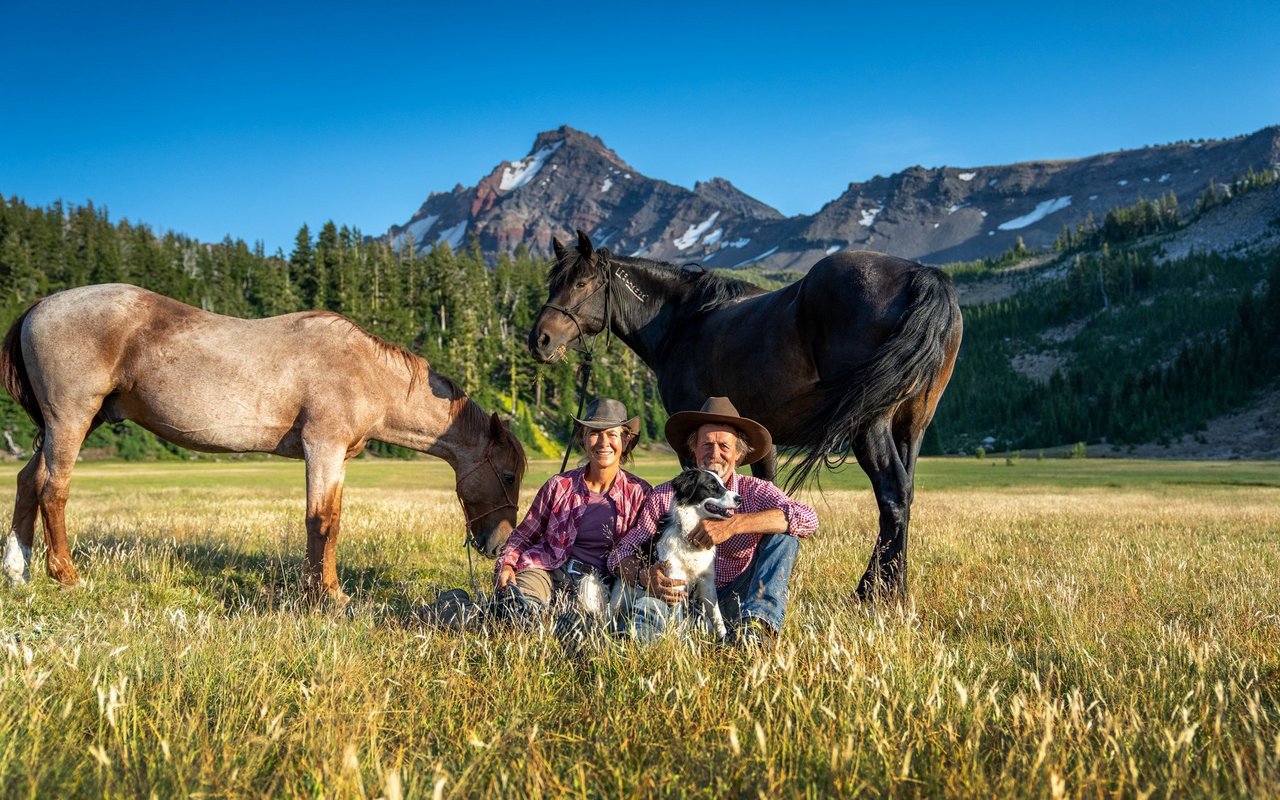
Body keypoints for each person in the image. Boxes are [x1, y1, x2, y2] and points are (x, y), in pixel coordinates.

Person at [609, 396, 817, 647]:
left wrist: (733, 525)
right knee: (644, 626)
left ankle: (756, 630)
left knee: (785, 538)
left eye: (724, 446)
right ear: (693, 449)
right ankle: (635, 643)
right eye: (706, 444)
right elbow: (619, 554)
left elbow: (808, 519)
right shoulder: (667, 495)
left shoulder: (756, 491)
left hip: (736, 599)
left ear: (738, 454)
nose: (714, 454)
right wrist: (644, 576)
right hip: (677, 596)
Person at [492, 398, 651, 619]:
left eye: (612, 434)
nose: (603, 442)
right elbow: (523, 535)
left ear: (625, 441)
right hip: (550, 570)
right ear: (583, 439)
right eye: (594, 433)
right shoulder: (559, 485)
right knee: (519, 609)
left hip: (605, 584)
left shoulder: (639, 492)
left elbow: (650, 549)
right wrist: (507, 564)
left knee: (596, 624)